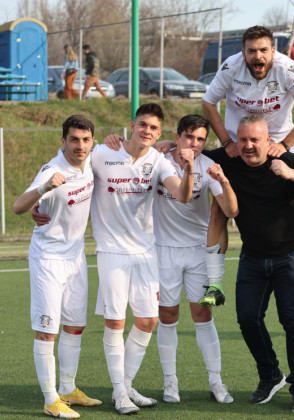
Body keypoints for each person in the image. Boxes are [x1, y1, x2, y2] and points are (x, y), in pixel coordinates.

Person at [201, 25, 294, 310]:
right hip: (241, 143)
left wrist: (287, 144)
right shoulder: (231, 66)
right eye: (252, 51)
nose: (257, 56)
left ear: (273, 52)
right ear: (244, 53)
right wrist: (227, 140)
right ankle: (215, 283)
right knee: (218, 207)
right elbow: (208, 103)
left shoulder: (288, 68)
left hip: (280, 141)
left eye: (263, 50)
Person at [205, 114, 294, 413]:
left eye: (255, 140)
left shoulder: (287, 158)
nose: (248, 146)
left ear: (268, 141)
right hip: (252, 257)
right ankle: (271, 374)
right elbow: (192, 149)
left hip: (292, 256)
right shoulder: (228, 159)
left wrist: (289, 173)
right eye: (243, 139)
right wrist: (168, 146)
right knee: (247, 320)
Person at [91, 103, 194, 415]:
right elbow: (71, 170)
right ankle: (120, 393)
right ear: (131, 125)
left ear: (159, 133)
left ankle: (126, 384)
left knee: (148, 321)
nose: (147, 131)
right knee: (116, 322)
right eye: (142, 125)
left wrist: (188, 167)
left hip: (146, 252)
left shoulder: (159, 161)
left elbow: (183, 195)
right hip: (112, 252)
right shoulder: (102, 153)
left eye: (153, 128)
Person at [13, 115, 102, 419]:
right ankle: (50, 399)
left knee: (75, 325)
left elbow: (128, 149)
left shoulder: (92, 160)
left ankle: (67, 388)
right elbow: (18, 206)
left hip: (76, 256)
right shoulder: (52, 170)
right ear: (63, 141)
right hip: (48, 259)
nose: (80, 145)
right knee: (47, 331)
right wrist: (43, 190)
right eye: (74, 139)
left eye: (86, 139)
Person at [150, 115, 238, 405]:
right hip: (163, 250)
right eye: (190, 137)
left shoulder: (207, 166)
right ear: (177, 137)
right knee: (167, 316)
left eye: (201, 139)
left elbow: (230, 209)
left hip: (199, 251)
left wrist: (223, 182)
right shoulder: (158, 159)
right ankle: (170, 383)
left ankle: (216, 381)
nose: (195, 144)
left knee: (203, 316)